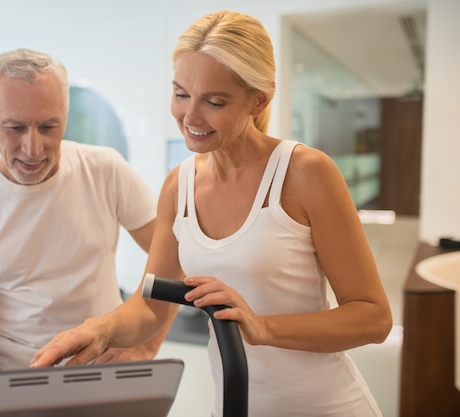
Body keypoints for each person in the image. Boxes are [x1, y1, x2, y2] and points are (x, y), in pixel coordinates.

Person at [31, 11, 393, 417]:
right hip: (233, 405)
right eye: (181, 94)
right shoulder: (178, 186)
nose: (190, 117)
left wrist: (264, 327)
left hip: (325, 406)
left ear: (259, 99)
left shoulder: (304, 173)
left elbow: (373, 317)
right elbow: (151, 305)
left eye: (214, 102)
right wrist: (99, 329)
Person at [0, 49, 174, 402]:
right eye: (14, 128)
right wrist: (1, 402)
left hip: (103, 373)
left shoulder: (106, 170)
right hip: (11, 376)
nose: (33, 148)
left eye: (48, 126)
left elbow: (173, 260)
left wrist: (147, 345)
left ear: (65, 116)